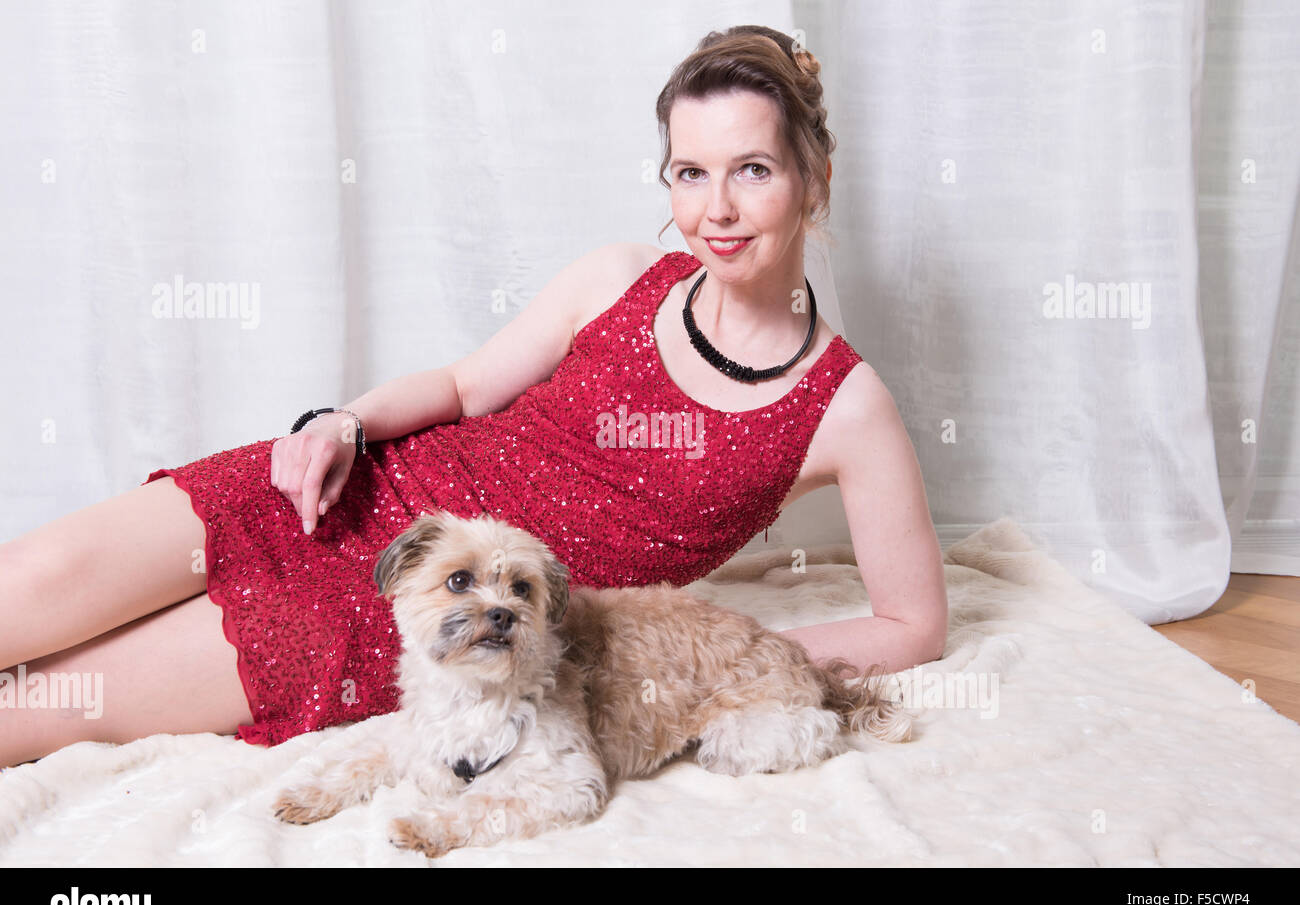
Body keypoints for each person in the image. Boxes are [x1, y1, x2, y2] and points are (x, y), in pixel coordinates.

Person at [0, 25, 947, 767]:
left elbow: (913, 622)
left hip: (435, 608)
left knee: (43, 703)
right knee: (31, 580)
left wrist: (710, 660)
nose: (717, 209)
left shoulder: (846, 405)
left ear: (813, 178)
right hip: (360, 487)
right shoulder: (619, 276)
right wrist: (343, 423)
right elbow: (460, 385)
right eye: (690, 173)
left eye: (753, 170)